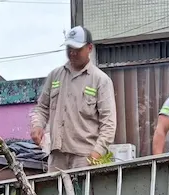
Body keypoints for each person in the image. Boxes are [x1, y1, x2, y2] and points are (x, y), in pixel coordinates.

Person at [30, 26, 116, 173]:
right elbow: (42, 107)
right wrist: (37, 125)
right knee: (55, 189)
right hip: (57, 156)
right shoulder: (55, 76)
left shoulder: (100, 80)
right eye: (69, 48)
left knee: (83, 189)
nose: (72, 53)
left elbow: (109, 122)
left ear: (89, 48)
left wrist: (97, 153)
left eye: (77, 49)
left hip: (85, 156)